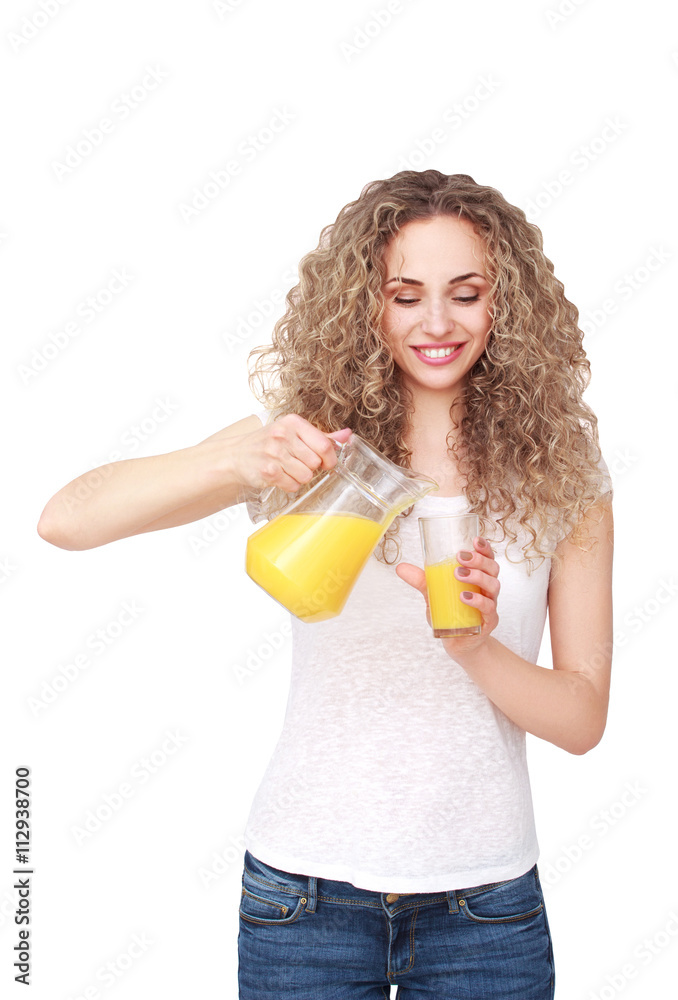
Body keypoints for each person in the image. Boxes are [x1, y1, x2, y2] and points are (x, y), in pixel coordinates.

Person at [38, 169, 614, 999]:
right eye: (405, 294)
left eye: (466, 292)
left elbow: (583, 717)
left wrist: (476, 648)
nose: (438, 323)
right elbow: (66, 520)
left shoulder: (561, 474)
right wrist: (235, 458)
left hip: (486, 911)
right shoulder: (307, 439)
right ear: (366, 304)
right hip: (302, 904)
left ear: (506, 302)